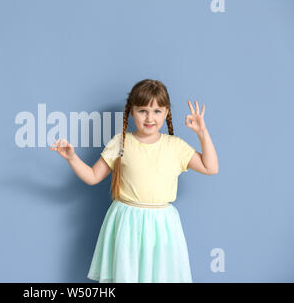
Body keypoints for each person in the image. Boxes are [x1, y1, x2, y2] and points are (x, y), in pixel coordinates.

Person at [49, 79, 219, 283]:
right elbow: (93, 176)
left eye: (157, 111)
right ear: (131, 111)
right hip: (127, 222)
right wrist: (72, 158)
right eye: (142, 111)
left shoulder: (176, 147)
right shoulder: (120, 142)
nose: (150, 118)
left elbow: (211, 167)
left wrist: (202, 133)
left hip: (162, 225)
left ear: (166, 113)